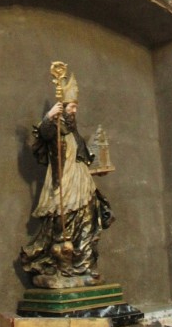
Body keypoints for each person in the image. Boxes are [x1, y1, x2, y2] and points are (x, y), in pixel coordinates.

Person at [20, 72, 113, 287]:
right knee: (65, 226)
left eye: (75, 107)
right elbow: (44, 133)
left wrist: (96, 171)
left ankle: (86, 267)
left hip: (83, 184)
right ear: (62, 108)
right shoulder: (56, 130)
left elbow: (83, 158)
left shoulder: (74, 132)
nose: (75, 110)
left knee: (88, 224)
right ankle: (64, 269)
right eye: (71, 107)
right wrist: (49, 116)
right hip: (65, 184)